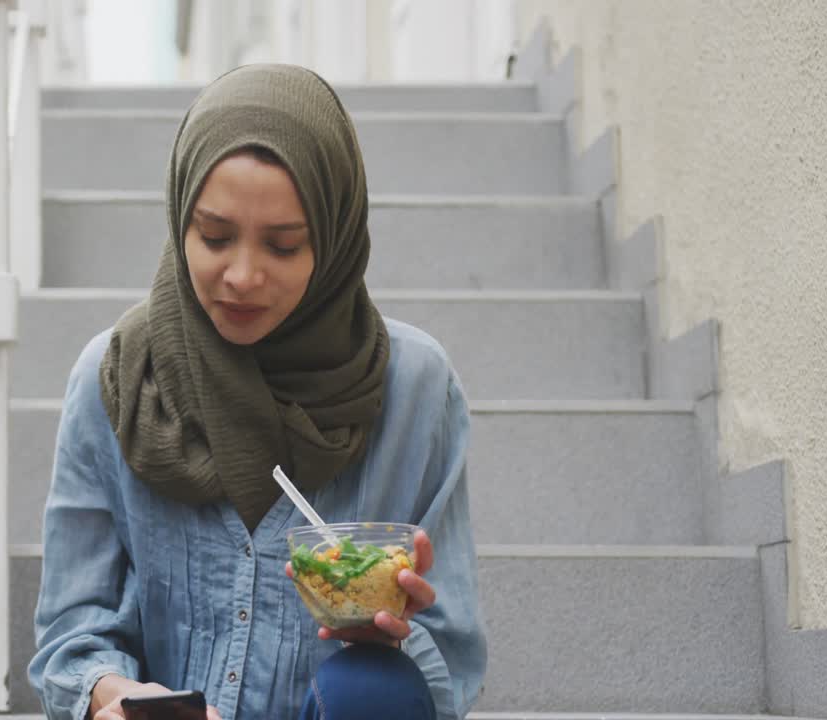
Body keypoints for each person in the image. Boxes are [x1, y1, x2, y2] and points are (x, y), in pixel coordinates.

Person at [29, 63, 486, 720]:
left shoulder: (415, 389)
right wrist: (116, 696)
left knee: (373, 694)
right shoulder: (118, 381)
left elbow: (452, 662)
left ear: (332, 242)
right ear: (179, 219)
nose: (242, 276)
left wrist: (393, 640)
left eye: (284, 245)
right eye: (213, 236)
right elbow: (72, 635)